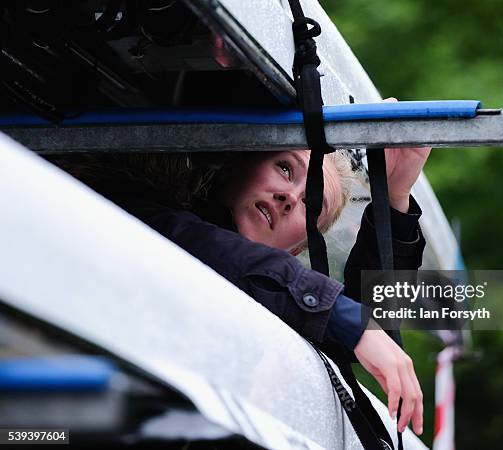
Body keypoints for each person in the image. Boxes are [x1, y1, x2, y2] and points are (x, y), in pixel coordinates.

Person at [51, 100, 431, 436]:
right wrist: (341, 315)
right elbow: (196, 244)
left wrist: (392, 197)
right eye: (285, 169)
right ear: (240, 167)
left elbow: (372, 333)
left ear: (297, 247)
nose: (289, 196)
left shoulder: (279, 303)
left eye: (310, 205)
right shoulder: (147, 211)